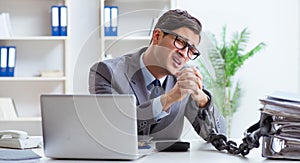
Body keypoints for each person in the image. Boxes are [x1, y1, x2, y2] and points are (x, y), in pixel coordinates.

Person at [89, 9, 226, 141]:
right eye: (180, 42)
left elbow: (218, 136)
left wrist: (203, 100)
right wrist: (169, 99)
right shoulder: (106, 72)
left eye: (191, 50)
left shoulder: (185, 79)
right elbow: (113, 128)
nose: (184, 54)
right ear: (157, 36)